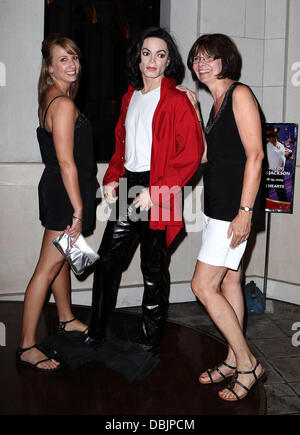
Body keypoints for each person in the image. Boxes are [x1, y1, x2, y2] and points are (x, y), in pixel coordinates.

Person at [85, 27, 203, 352]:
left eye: (160, 54)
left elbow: (191, 154)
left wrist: (157, 191)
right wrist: (111, 177)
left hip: (158, 187)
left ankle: (149, 341)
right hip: (129, 184)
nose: (152, 60)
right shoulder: (129, 97)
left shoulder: (177, 100)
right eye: (146, 53)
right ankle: (95, 330)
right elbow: (121, 146)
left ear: (168, 63)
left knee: (152, 268)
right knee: (107, 260)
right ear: (138, 59)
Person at [178, 33, 265, 401]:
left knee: (202, 285)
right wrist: (194, 111)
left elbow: (256, 155)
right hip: (218, 204)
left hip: (235, 207)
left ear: (225, 60)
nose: (201, 63)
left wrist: (245, 213)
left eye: (210, 57)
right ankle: (232, 358)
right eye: (197, 57)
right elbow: (206, 158)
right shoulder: (212, 102)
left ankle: (247, 363)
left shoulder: (239, 94)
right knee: (230, 282)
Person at [16, 34, 99, 371]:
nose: (72, 65)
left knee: (63, 259)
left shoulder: (50, 98)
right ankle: (26, 346)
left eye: (74, 57)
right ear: (49, 68)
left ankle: (65, 318)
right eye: (62, 59)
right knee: (46, 268)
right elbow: (67, 163)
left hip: (58, 188)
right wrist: (78, 210)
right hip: (65, 193)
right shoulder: (62, 104)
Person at [265, 124, 292, 202]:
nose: (272, 137)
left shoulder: (281, 145)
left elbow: (283, 158)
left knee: (282, 196)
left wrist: (288, 156)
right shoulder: (267, 146)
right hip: (270, 173)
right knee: (265, 194)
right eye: (270, 136)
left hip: (279, 174)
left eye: (274, 135)